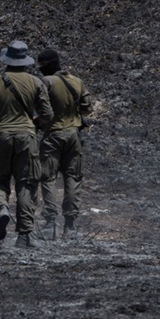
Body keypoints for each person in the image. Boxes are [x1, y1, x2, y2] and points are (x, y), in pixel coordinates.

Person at [0, 40, 53, 248]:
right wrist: (35, 123)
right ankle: (24, 234)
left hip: (0, 136)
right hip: (26, 137)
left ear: (7, 59)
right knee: (26, 184)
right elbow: (47, 115)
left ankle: (2, 207)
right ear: (25, 60)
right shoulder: (36, 83)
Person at [36, 49, 92, 240]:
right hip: (74, 135)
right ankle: (70, 226)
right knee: (73, 178)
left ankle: (50, 222)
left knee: (48, 177)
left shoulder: (46, 82)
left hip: (53, 135)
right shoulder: (77, 81)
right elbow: (87, 109)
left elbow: (40, 110)